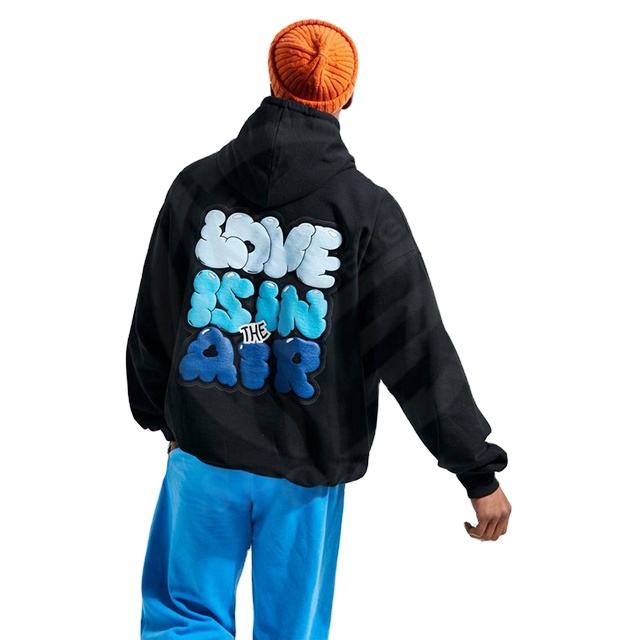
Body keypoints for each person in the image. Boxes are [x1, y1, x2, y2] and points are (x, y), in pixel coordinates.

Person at [127, 18, 511, 640]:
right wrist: (477, 472)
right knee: (292, 631)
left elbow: (157, 311)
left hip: (202, 451)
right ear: (345, 96)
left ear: (272, 77)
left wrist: (159, 413)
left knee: (184, 620)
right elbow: (416, 346)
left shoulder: (195, 186)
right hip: (306, 465)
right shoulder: (367, 212)